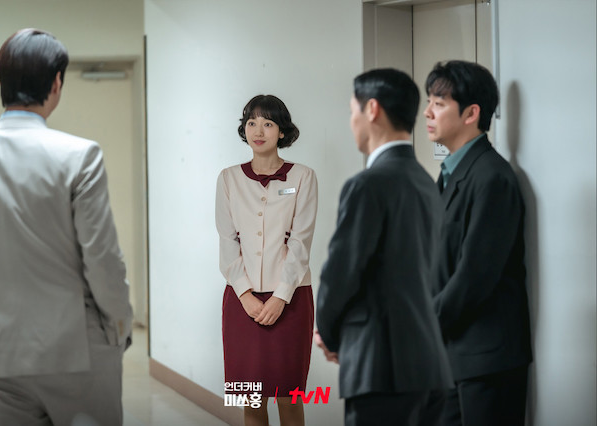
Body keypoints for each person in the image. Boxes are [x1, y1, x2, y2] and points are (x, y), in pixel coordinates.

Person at [0, 28, 133, 425]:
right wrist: (119, 325)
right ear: (56, 83)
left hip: (0, 350)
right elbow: (102, 258)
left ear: (3, 83)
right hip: (77, 346)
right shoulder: (79, 156)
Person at [315, 68, 453, 426]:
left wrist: (329, 335)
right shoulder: (427, 183)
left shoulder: (367, 185)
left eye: (352, 111)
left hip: (381, 368)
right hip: (429, 366)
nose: (351, 122)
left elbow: (340, 273)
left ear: (372, 109)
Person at [424, 60, 532, 426]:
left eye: (439, 103)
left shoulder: (492, 177)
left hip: (487, 361)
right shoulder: (451, 173)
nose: (427, 112)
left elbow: (474, 277)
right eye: (429, 101)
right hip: (453, 355)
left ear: (471, 113)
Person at [216, 94, 318, 426]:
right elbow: (227, 241)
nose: (258, 131)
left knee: (290, 399)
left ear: (282, 131)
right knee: (251, 401)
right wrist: (245, 295)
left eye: (268, 123)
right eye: (252, 123)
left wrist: (280, 297)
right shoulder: (228, 178)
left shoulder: (303, 177)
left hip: (291, 300)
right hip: (241, 302)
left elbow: (301, 242)